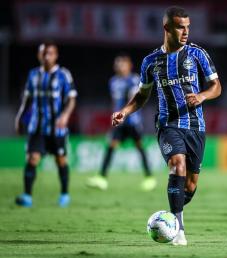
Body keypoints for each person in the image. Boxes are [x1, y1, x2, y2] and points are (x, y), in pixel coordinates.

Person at [111, 6, 221, 245]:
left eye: (188, 27)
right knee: (176, 165)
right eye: (181, 27)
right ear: (167, 28)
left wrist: (202, 96)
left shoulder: (197, 54)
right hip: (167, 124)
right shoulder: (151, 62)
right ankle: (179, 230)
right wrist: (125, 111)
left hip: (196, 126)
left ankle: (169, 216)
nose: (185, 32)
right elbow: (142, 95)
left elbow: (216, 87)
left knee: (190, 186)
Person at [15, 42, 77, 207]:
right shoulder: (33, 75)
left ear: (56, 55)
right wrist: (19, 117)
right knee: (32, 158)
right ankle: (27, 196)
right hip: (37, 126)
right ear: (39, 55)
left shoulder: (64, 74)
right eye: (43, 53)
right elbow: (27, 99)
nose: (46, 56)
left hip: (57, 128)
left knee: (60, 160)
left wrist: (65, 115)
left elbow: (71, 99)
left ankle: (64, 194)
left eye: (50, 53)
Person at [86, 54, 157, 191]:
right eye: (117, 63)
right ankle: (102, 178)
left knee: (140, 147)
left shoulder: (134, 79)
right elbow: (114, 103)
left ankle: (149, 177)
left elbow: (136, 98)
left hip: (133, 121)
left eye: (122, 63)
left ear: (129, 65)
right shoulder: (113, 81)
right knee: (111, 146)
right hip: (120, 122)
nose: (119, 66)